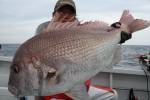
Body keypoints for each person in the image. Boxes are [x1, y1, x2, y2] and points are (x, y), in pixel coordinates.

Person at [35, 0, 149, 100]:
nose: (65, 16)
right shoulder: (44, 31)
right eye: (62, 12)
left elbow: (96, 42)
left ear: (75, 17)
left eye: (70, 13)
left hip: (80, 88)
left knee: (112, 95)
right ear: (53, 14)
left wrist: (115, 32)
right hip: (55, 93)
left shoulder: (81, 30)